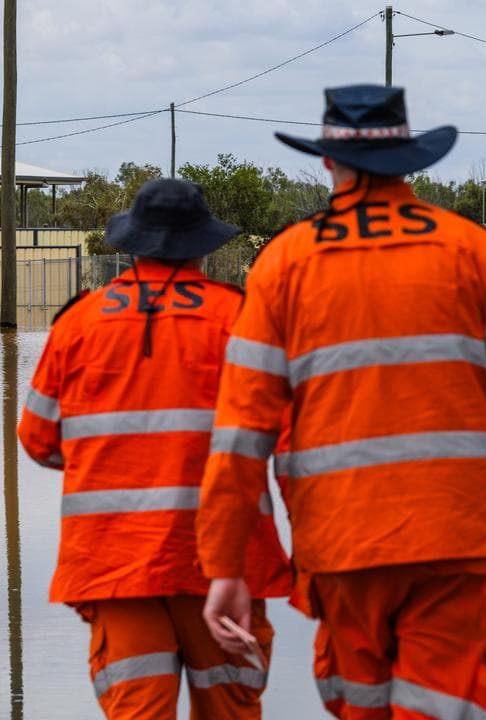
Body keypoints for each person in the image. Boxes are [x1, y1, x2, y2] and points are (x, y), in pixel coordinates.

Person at [196, 84, 486, 720]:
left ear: (327, 163)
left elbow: (240, 436)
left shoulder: (283, 265)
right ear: (411, 161)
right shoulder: (473, 251)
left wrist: (226, 566)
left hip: (340, 543)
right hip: (458, 540)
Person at [17, 179, 292, 719]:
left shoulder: (79, 322)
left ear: (132, 245)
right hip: (224, 563)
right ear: (205, 246)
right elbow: (289, 442)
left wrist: (108, 459)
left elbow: (38, 440)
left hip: (116, 563)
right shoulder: (242, 320)